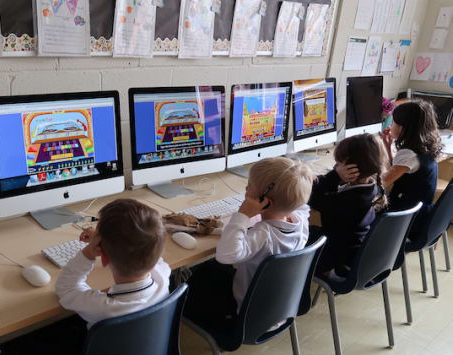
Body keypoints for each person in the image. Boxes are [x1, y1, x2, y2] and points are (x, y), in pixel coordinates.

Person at [8, 198, 170, 355]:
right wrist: (106, 242)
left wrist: (87, 253)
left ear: (102, 257)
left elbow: (66, 288)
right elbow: (151, 253)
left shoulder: (105, 307)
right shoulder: (163, 278)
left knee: (21, 344)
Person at [183, 157, 314, 336]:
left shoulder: (264, 234)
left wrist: (242, 215)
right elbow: (301, 205)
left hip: (247, 316)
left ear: (265, 201)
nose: (246, 188)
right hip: (280, 310)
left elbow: (226, 256)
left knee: (202, 274)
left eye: (249, 185)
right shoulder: (301, 223)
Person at [308, 134, 388, 277]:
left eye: (338, 164)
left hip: (337, 260)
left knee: (298, 236)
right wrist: (336, 177)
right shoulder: (370, 188)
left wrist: (335, 176)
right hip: (349, 250)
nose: (335, 167)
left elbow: (311, 197)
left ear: (352, 169)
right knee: (311, 230)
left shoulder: (349, 201)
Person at [380, 99, 442, 237]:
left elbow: (382, 183)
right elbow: (399, 170)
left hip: (405, 221)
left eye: (393, 122)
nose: (391, 125)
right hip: (421, 215)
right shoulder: (424, 147)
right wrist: (387, 147)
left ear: (403, 128)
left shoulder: (408, 154)